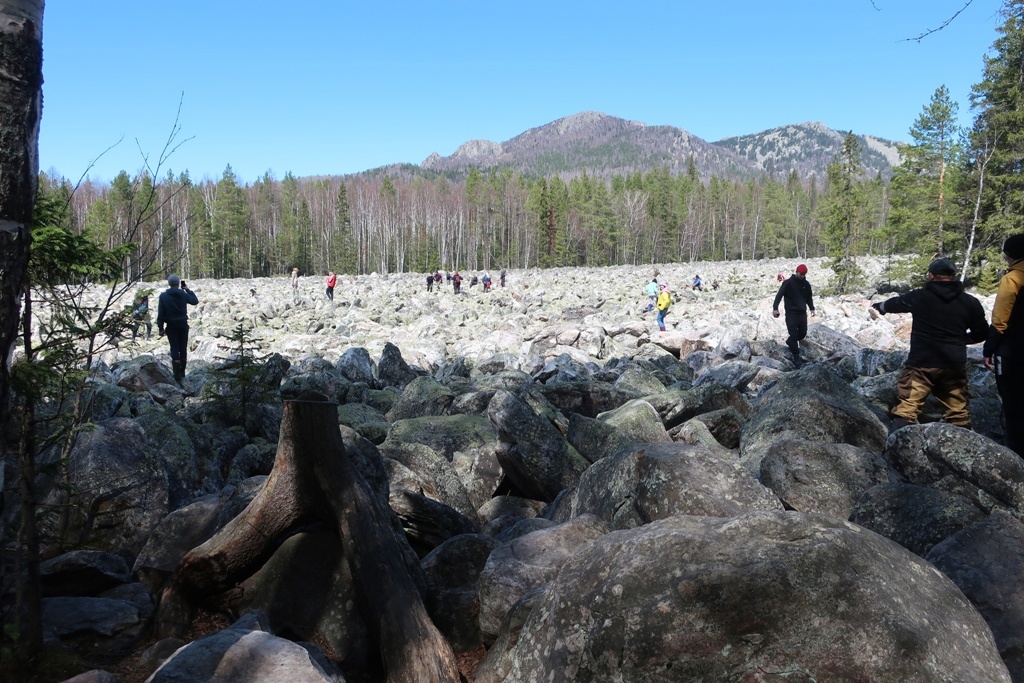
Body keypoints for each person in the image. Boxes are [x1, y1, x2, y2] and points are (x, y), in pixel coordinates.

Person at [872, 258, 988, 429]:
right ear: (953, 276)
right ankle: (962, 449)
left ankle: (897, 450)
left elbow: (893, 304)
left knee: (907, 409)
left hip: (921, 365)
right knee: (958, 413)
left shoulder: (919, 297)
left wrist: (879, 306)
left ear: (931, 276)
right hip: (953, 364)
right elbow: (983, 333)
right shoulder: (970, 302)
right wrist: (959, 341)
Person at [984, 234, 1024, 455]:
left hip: (1012, 351)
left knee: (1012, 402)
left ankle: (1017, 452)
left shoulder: (1013, 278)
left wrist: (989, 348)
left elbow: (1000, 319)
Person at [157, 274, 199, 383]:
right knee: (183, 347)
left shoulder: (163, 296)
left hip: (171, 325)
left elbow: (160, 314)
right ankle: (182, 372)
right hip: (183, 323)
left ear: (169, 283)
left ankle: (176, 374)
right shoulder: (183, 294)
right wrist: (187, 290)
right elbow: (195, 301)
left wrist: (160, 328)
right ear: (178, 283)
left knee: (174, 347)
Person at [772, 263, 816, 366]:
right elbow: (779, 295)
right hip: (791, 314)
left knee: (802, 334)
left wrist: (812, 308)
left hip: (802, 314)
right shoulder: (788, 283)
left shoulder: (806, 284)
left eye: (804, 274)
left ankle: (790, 341)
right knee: (794, 334)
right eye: (801, 274)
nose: (802, 276)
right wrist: (775, 308)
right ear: (797, 272)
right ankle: (796, 357)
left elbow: (809, 297)